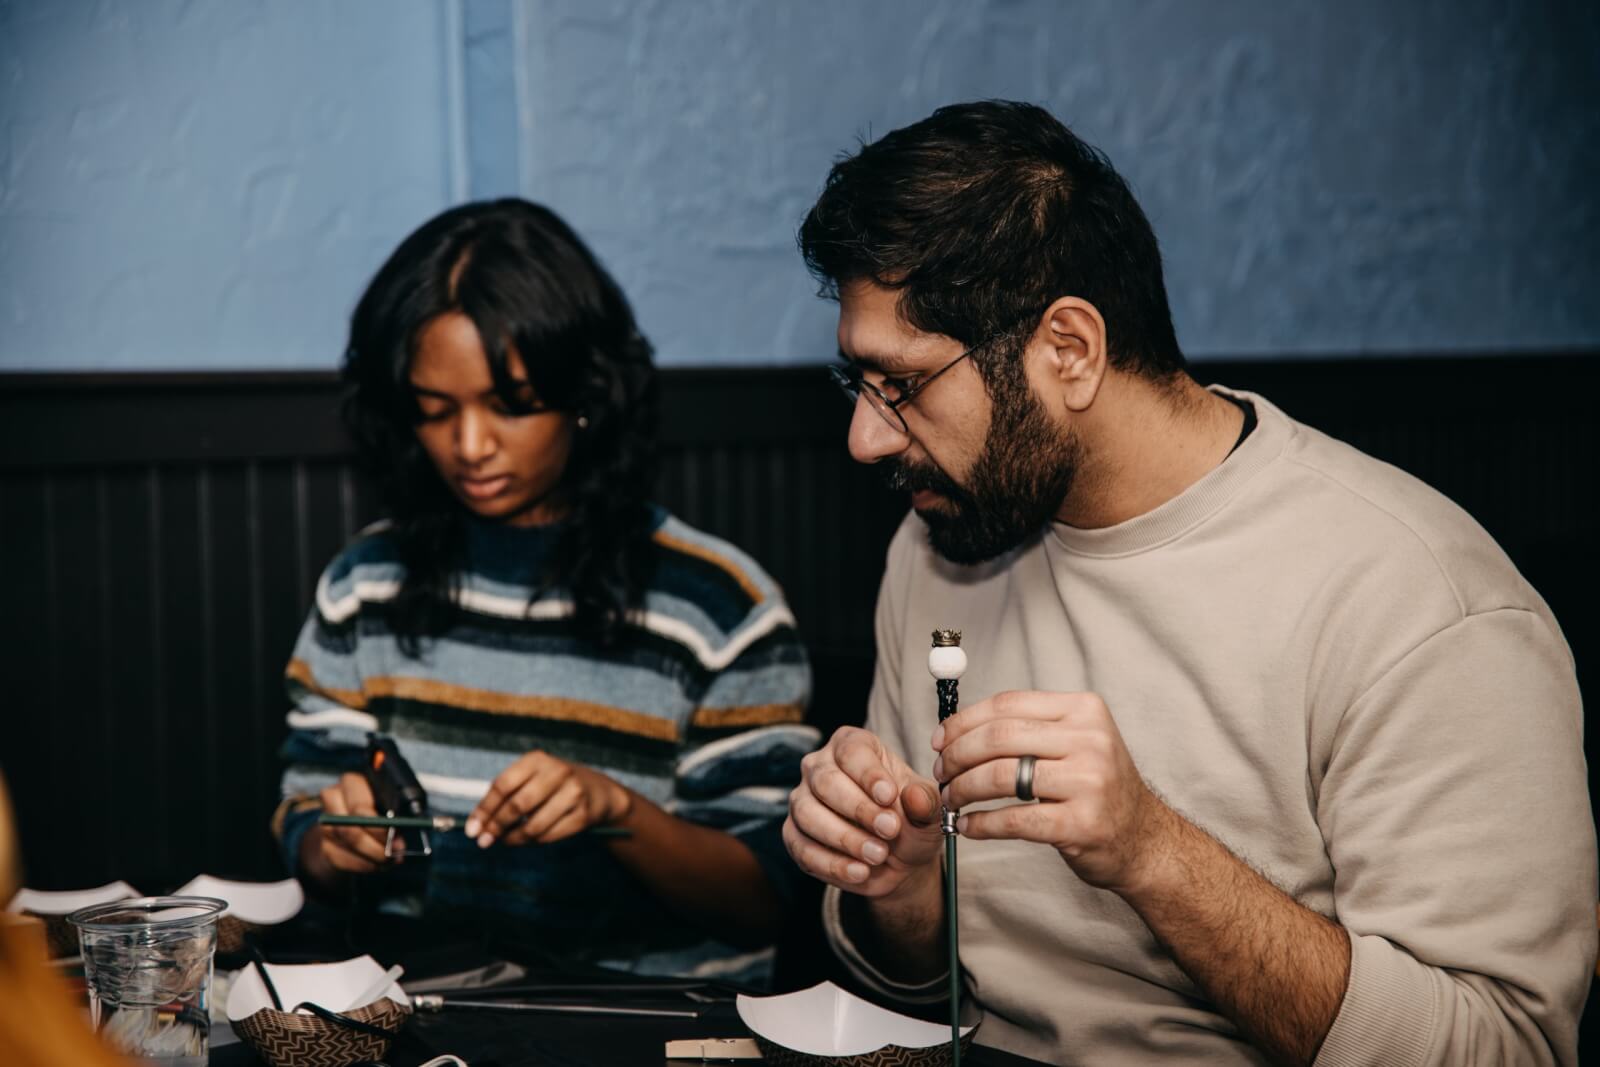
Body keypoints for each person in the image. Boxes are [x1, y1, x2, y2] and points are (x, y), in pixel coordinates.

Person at [782, 101, 1594, 1065]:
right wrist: (905, 894)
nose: (865, 438)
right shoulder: (938, 540)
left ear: (1069, 351)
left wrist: (1154, 852)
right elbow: (927, 989)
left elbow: (1506, 1048)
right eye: (856, 387)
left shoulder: (1415, 600)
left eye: (902, 385)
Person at [272, 198, 815, 985]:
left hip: (649, 1024)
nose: (469, 446)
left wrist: (617, 811)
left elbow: (766, 895)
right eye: (433, 410)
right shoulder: (367, 586)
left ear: (586, 395)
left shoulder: (716, 606)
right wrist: (336, 839)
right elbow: (302, 824)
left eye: (511, 406)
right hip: (413, 1005)